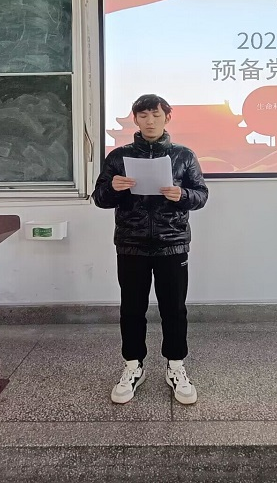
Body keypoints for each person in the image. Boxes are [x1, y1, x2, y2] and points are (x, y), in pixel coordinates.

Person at [92, 94, 209, 405]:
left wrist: (182, 195)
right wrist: (112, 188)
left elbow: (201, 195)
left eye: (156, 115)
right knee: (132, 308)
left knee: (174, 308)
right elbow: (99, 198)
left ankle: (175, 366)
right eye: (143, 116)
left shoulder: (184, 155)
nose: (150, 121)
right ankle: (133, 366)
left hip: (173, 244)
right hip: (132, 244)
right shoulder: (119, 157)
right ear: (135, 119)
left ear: (167, 117)